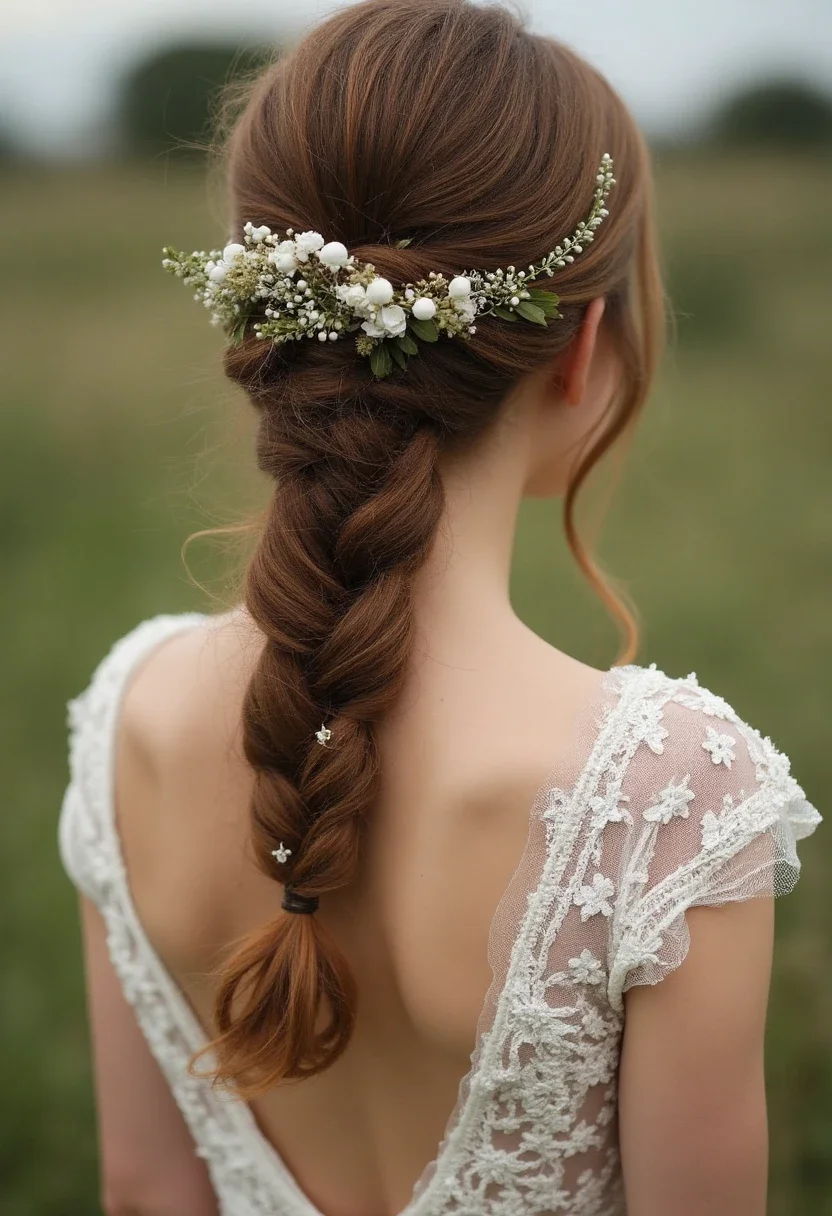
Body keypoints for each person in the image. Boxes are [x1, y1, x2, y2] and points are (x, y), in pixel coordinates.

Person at [58, 2, 821, 1214]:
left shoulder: (128, 722)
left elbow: (146, 1191)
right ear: (580, 348)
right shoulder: (669, 796)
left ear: (271, 330)